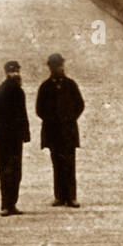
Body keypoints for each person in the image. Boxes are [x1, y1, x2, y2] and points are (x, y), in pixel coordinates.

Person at [36, 53, 83, 208]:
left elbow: (80, 104)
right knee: (57, 163)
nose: (59, 68)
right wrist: (51, 120)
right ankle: (59, 197)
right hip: (53, 132)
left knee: (69, 164)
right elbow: (39, 109)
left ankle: (71, 197)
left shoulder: (70, 85)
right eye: (56, 66)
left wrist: (70, 118)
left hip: (68, 131)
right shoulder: (45, 87)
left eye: (61, 65)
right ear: (50, 67)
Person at [0, 60, 30, 216]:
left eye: (17, 71)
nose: (15, 74)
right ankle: (5, 205)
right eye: (12, 71)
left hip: (16, 139)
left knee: (16, 172)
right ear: (6, 73)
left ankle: (12, 204)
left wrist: (25, 134)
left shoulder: (19, 92)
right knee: (5, 172)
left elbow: (23, 114)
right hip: (4, 140)